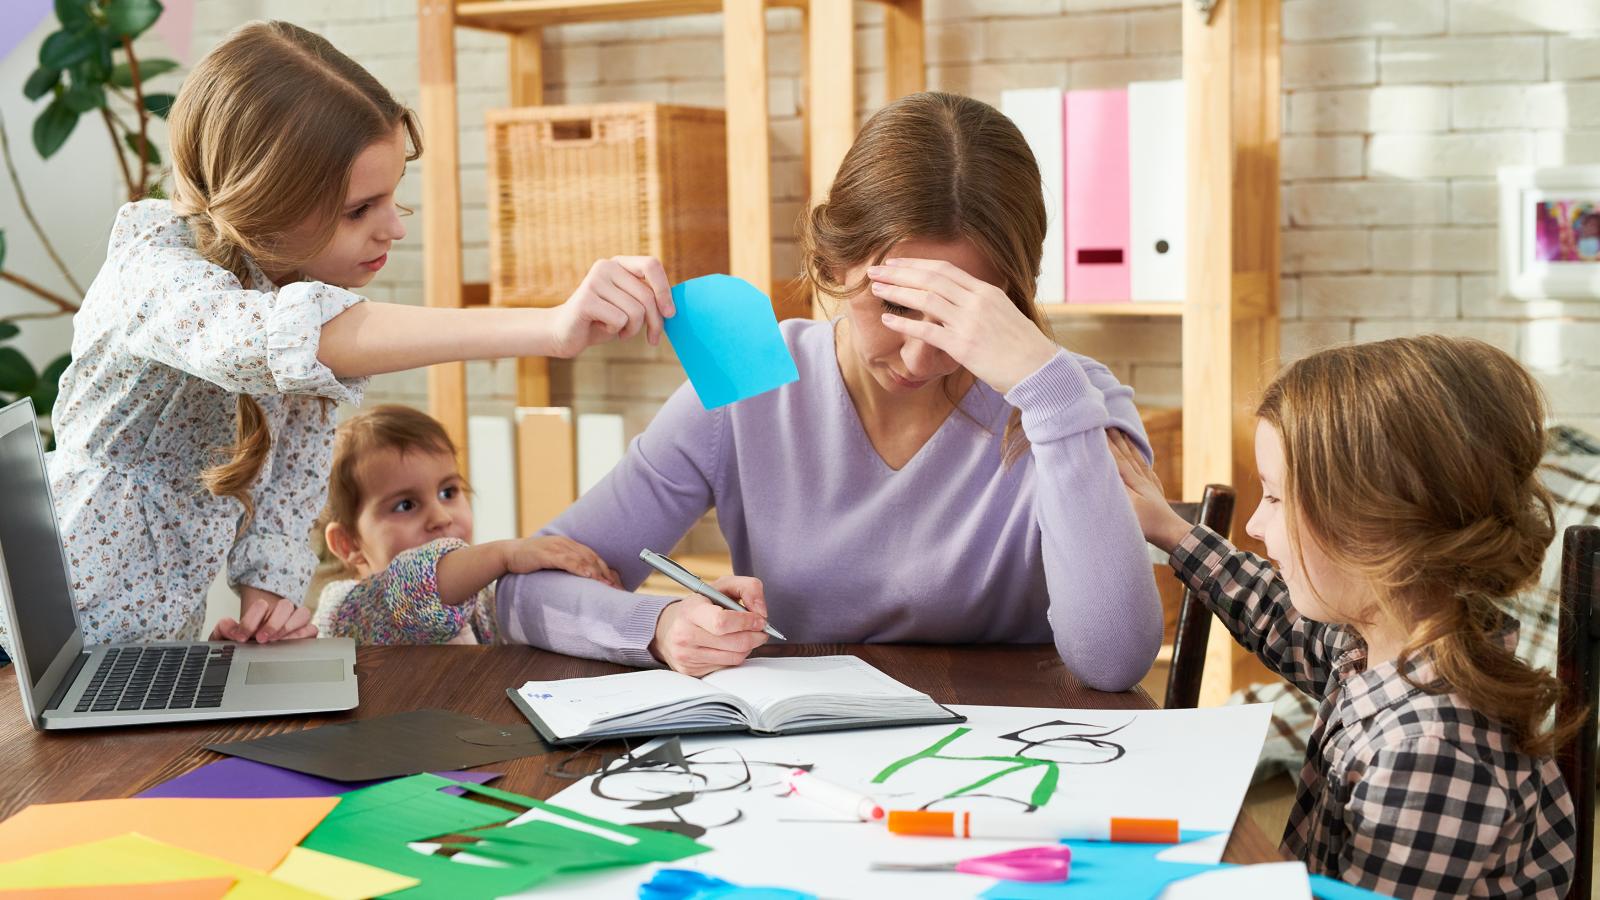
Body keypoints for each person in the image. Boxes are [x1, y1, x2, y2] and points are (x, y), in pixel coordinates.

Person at [15, 21, 673, 651]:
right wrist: (551, 328)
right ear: (264, 202)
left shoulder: (286, 285)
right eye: (360, 210)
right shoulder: (157, 271)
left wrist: (267, 588)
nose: (394, 228)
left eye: (392, 197)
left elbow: (296, 460)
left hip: (138, 640)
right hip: (35, 638)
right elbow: (285, 338)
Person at [496, 91, 1163, 691]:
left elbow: (1112, 662)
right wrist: (662, 622)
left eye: (958, 314)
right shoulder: (750, 380)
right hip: (800, 767)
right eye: (894, 305)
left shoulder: (1068, 402)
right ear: (830, 263)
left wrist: (1050, 395)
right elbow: (527, 590)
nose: (919, 354)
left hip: (1015, 764)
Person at [1110, 335, 1577, 899]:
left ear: (1373, 526)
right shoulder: (1383, 644)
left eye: (1276, 498)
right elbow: (1275, 616)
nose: (1255, 525)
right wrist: (1169, 528)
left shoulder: (1430, 752)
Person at [313, 405, 617, 644]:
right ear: (348, 543)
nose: (441, 517)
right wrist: (505, 554)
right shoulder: (344, 611)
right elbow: (413, 582)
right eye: (405, 505)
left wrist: (582, 586)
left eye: (448, 492)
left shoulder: (482, 599)